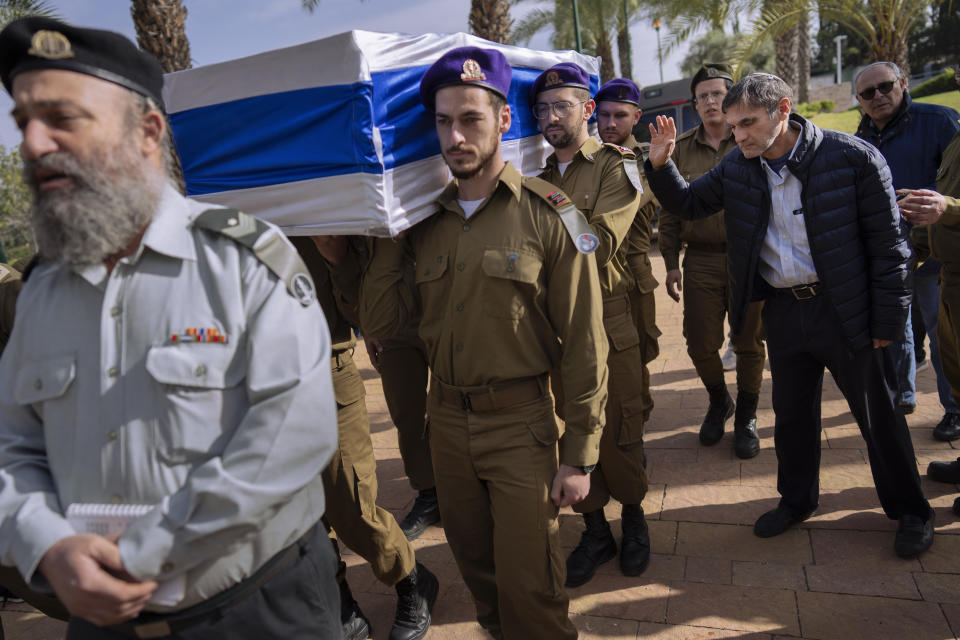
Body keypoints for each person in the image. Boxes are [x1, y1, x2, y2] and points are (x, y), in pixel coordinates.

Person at [0, 17, 343, 639]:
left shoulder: (244, 260)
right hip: (99, 618)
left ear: (147, 133)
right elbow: (11, 446)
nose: (32, 143)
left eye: (61, 118)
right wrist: (48, 545)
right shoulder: (42, 293)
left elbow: (295, 434)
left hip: (258, 612)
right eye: (24, 121)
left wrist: (139, 552)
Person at [361, 46, 607, 639]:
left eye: (470, 119)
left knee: (533, 586)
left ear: (502, 120)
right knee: (480, 576)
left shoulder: (552, 214)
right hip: (444, 424)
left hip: (518, 424)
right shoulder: (421, 224)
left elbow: (583, 340)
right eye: (443, 122)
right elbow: (384, 324)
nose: (456, 136)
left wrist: (579, 453)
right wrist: (391, 223)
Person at [644, 72, 935, 558]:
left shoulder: (852, 158)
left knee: (879, 418)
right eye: (734, 127)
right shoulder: (739, 165)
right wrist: (661, 165)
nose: (739, 137)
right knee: (793, 418)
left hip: (848, 312)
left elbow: (891, 250)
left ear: (783, 109)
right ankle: (796, 501)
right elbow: (691, 204)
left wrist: (887, 324)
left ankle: (911, 511)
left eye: (749, 124)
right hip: (783, 311)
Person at [532, 64, 651, 588]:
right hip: (558, 329)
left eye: (562, 106)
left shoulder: (615, 165)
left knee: (622, 428)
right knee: (576, 427)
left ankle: (635, 520)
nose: (551, 116)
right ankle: (597, 529)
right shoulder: (534, 179)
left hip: (608, 317)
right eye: (542, 108)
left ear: (586, 110)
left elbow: (595, 242)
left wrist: (545, 220)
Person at [292, 236, 437, 640]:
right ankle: (340, 601)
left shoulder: (321, 210)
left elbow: (362, 309)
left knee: (353, 506)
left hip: (326, 371)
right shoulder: (222, 204)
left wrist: (334, 256)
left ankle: (411, 578)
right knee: (302, 514)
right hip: (264, 382)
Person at [658, 63, 765, 459]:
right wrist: (670, 261)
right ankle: (720, 401)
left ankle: (747, 417)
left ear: (732, 97)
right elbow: (670, 209)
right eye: (701, 96)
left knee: (749, 342)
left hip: (748, 258)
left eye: (717, 94)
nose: (709, 102)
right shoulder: (681, 147)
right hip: (700, 260)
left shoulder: (752, 141)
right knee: (701, 344)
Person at [854, 61, 960, 434]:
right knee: (896, 326)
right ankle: (903, 395)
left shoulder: (941, 121)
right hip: (888, 253)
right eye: (868, 93)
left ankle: (954, 410)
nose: (878, 96)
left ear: (903, 83)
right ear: (859, 100)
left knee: (942, 332)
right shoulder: (862, 136)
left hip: (938, 252)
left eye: (885, 86)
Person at [905, 70, 960, 511]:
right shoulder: (957, 139)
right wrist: (917, 250)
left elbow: (948, 205)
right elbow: (939, 204)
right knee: (955, 368)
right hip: (948, 276)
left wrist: (948, 208)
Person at [593, 77, 661, 422]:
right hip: (593, 270)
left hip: (632, 271)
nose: (609, 124)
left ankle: (638, 424)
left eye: (620, 115)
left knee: (634, 355)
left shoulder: (649, 158)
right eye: (603, 115)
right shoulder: (587, 158)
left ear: (636, 117)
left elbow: (636, 199)